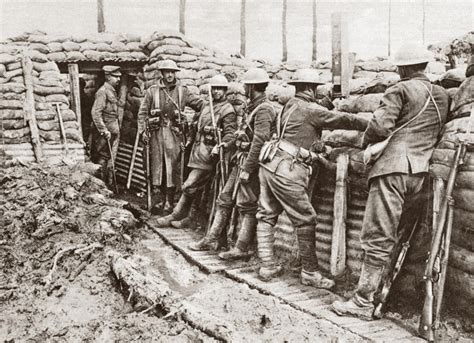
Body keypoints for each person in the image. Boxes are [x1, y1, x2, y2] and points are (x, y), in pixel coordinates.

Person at [331, 43, 449, 320]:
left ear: (403, 68)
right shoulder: (442, 95)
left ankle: (362, 302)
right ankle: (385, 296)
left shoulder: (399, 89)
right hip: (420, 174)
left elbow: (380, 126)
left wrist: (368, 144)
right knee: (398, 234)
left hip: (392, 170)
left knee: (377, 235)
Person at [255, 68, 369, 287]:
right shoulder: (309, 109)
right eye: (315, 89)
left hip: (270, 164)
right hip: (288, 169)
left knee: (266, 215)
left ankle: (267, 264)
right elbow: (340, 119)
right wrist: (368, 124)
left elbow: (310, 117)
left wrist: (326, 102)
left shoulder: (290, 104)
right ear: (310, 88)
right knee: (306, 219)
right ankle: (310, 273)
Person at [188, 68, 277, 255]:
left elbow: (259, 141)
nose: (243, 88)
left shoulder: (264, 110)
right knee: (225, 198)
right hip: (240, 160)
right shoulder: (252, 106)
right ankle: (211, 239)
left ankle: (241, 248)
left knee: (247, 204)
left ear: (252, 87)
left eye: (246, 85)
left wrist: (247, 168)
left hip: (252, 165)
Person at [154, 74, 237, 227]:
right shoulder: (207, 106)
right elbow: (196, 125)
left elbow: (230, 134)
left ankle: (176, 214)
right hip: (196, 152)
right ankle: (191, 218)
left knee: (189, 184)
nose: (217, 92)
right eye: (215, 89)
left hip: (209, 154)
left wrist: (222, 145)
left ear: (226, 91)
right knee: (197, 187)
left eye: (220, 89)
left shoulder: (227, 110)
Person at [137, 60, 203, 214]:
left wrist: (195, 116)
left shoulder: (182, 91)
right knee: (157, 167)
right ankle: (159, 200)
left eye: (172, 72)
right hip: (156, 134)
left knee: (172, 168)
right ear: (162, 73)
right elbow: (142, 113)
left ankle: (170, 201)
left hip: (174, 134)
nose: (170, 75)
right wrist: (142, 131)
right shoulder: (152, 91)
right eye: (167, 72)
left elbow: (199, 104)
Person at [90, 65, 121, 182]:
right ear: (108, 77)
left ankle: (104, 184)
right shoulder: (102, 92)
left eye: (119, 77)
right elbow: (96, 113)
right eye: (115, 77)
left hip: (111, 131)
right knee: (102, 157)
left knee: (106, 156)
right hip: (104, 133)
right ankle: (101, 185)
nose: (118, 79)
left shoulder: (111, 91)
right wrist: (104, 130)